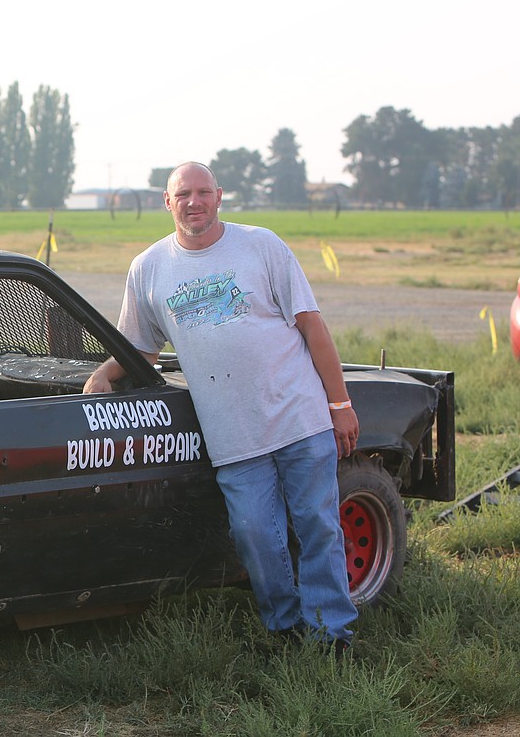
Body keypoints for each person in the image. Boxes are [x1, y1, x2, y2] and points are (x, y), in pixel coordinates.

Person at [84, 161, 360, 651]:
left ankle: (332, 633)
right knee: (254, 533)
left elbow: (312, 327)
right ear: (167, 203)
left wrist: (339, 404)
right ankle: (286, 628)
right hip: (233, 434)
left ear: (220, 196)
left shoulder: (262, 245)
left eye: (204, 192)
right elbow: (141, 348)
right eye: (184, 194)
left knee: (318, 526)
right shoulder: (149, 268)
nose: (195, 202)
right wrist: (106, 373)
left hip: (298, 416)